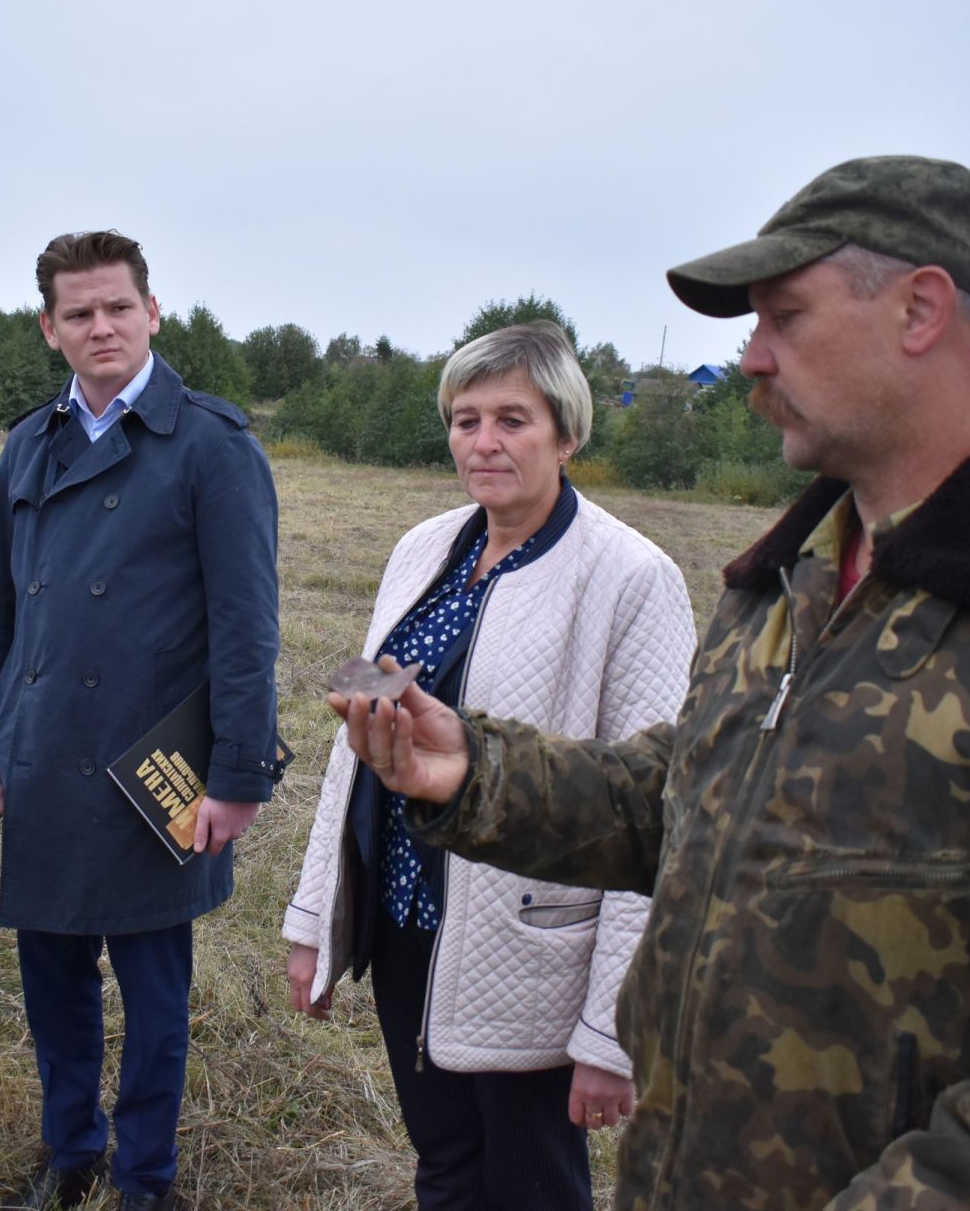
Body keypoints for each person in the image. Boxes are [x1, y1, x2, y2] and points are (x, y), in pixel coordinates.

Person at [333, 156, 970, 1209]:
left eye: (786, 317)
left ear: (921, 309)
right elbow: (687, 797)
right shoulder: (799, 569)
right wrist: (477, 771)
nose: (753, 359)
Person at [283, 322, 695, 1209]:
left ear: (567, 432)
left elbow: (662, 816)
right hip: (406, 921)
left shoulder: (632, 579)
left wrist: (613, 1034)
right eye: (465, 420)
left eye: (513, 419)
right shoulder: (423, 551)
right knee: (444, 1162)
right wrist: (315, 914)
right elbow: (351, 750)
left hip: (532, 948)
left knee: (533, 1185)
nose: (484, 442)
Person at [0, 231, 281, 1211]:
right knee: (52, 978)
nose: (102, 326)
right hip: (44, 752)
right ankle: (69, 1151)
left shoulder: (213, 447)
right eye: (80, 312)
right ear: (51, 327)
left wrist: (238, 775)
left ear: (153, 312)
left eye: (118, 307)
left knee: (153, 994)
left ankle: (146, 1178)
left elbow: (248, 629)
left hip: (155, 772)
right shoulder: (27, 444)